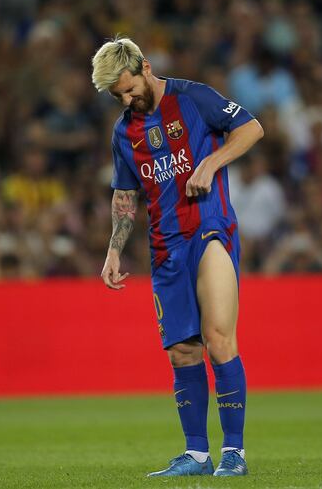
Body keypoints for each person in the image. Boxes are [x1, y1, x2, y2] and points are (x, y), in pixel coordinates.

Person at [91, 37, 263, 477]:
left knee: (218, 336)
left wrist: (211, 163)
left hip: (210, 230)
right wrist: (113, 248)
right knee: (182, 353)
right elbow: (125, 194)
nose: (127, 100)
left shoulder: (193, 97)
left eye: (129, 89)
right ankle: (198, 455)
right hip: (165, 246)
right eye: (118, 96)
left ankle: (235, 454)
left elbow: (251, 128)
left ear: (145, 67)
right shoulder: (123, 132)